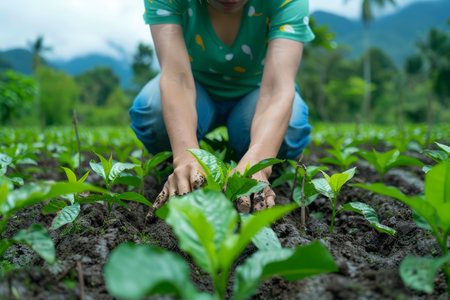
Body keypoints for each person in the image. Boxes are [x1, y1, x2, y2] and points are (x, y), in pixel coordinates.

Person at [129, 0, 314, 216]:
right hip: (195, 87)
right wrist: (185, 154)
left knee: (290, 128)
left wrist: (258, 164)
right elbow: (176, 78)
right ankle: (179, 167)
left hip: (255, 92)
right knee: (152, 113)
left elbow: (276, 89)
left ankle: (256, 164)